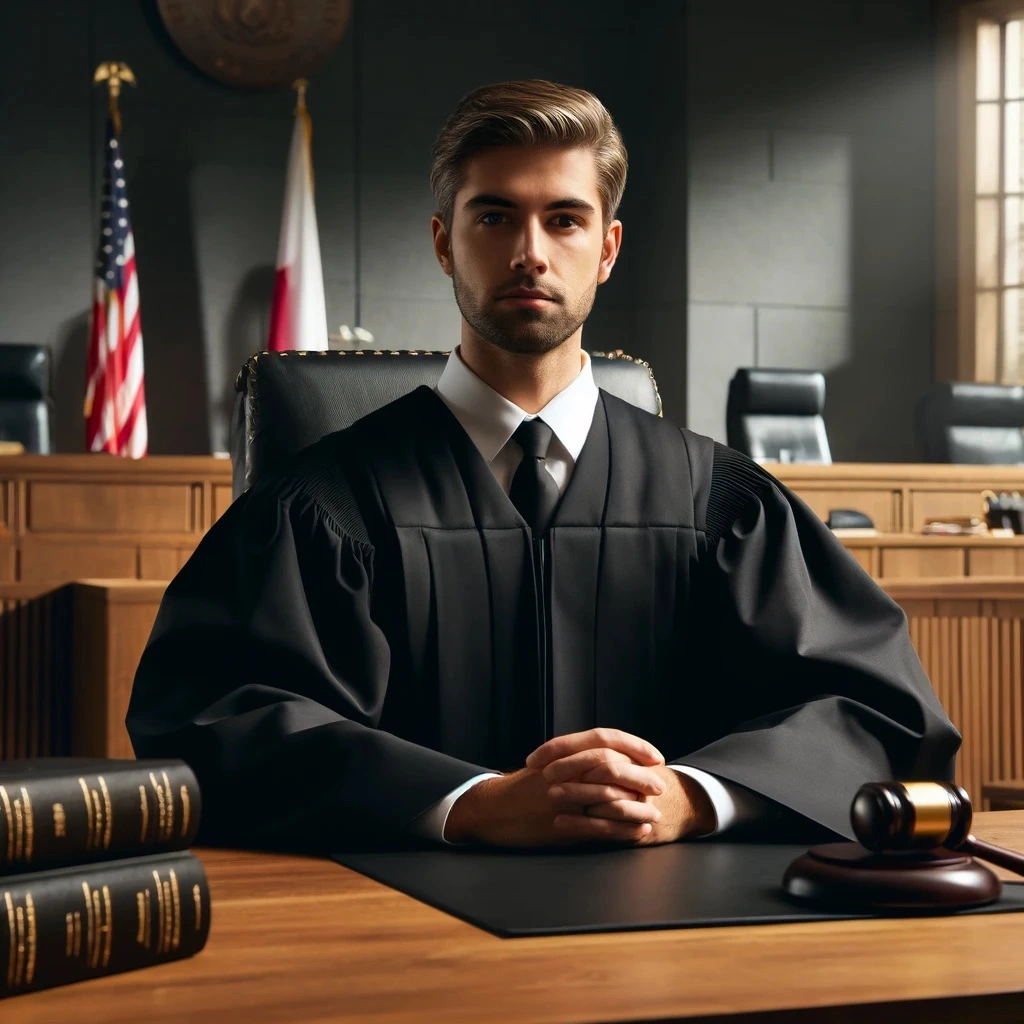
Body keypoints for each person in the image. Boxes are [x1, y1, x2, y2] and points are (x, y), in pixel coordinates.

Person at [126, 79, 960, 853]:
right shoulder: (327, 506)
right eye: (495, 217)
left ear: (607, 248)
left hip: (685, 940)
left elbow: (878, 711)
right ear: (445, 244)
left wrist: (692, 796)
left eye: (564, 219)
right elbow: (208, 719)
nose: (531, 251)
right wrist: (469, 803)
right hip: (398, 934)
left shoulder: (718, 502)